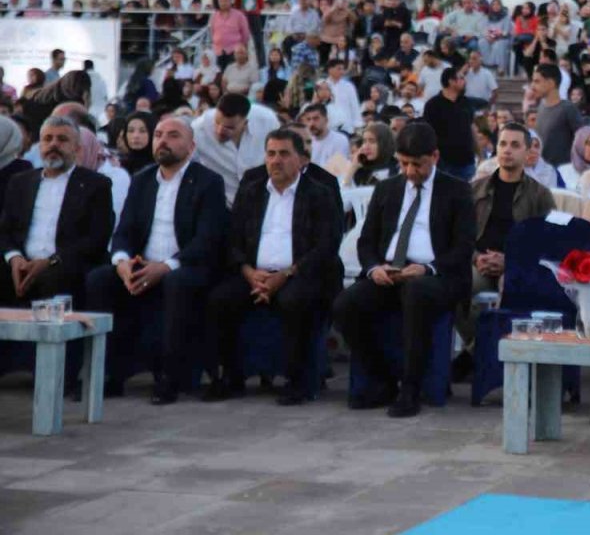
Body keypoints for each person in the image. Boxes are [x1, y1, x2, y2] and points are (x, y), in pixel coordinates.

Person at [332, 124, 476, 418]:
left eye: (417, 164)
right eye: (404, 163)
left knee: (415, 292)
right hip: (389, 272)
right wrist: (374, 268)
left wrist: (427, 268)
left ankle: (411, 388)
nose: (410, 171)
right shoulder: (387, 189)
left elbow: (463, 247)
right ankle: (382, 378)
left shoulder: (457, 191)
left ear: (434, 157)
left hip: (436, 276)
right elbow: (366, 241)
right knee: (345, 304)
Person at [85, 117, 228, 404]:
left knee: (176, 282)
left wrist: (165, 266)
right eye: (159, 134)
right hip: (143, 263)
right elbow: (124, 231)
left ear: (191, 146)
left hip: (187, 266)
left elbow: (207, 239)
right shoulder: (142, 180)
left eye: (173, 136)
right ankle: (109, 374)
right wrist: (122, 263)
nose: (163, 141)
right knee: (99, 279)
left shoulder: (208, 181)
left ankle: (170, 378)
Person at [204, 129, 340, 406]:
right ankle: (230, 376)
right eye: (271, 154)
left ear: (302, 159)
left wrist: (286, 274)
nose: (276, 160)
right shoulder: (252, 192)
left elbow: (326, 246)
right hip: (254, 274)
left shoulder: (319, 194)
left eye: (284, 154)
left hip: (299, 273)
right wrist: (249, 273)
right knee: (219, 299)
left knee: (294, 301)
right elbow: (233, 239)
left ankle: (296, 380)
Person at [457, 123, 556, 379]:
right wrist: (477, 258)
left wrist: (510, 261)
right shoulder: (475, 190)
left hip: (518, 266)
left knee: (512, 287)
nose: (507, 150)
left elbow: (546, 244)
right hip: (479, 263)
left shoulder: (540, 195)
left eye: (515, 145)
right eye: (502, 144)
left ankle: (474, 355)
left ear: (527, 152)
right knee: (455, 284)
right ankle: (482, 349)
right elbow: (460, 235)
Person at [0, 116, 114, 310]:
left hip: (64, 263)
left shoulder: (96, 185)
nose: (53, 144)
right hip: (21, 261)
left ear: (77, 148)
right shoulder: (21, 182)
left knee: (56, 276)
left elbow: (97, 238)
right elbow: (5, 230)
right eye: (48, 139)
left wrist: (49, 262)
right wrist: (14, 258)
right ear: (39, 146)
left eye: (62, 139)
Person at [192, 94, 281, 208]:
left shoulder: (267, 121)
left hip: (263, 201)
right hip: (221, 204)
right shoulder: (198, 129)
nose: (219, 131)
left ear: (245, 123)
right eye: (217, 123)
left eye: (229, 127)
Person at [423, 67, 476, 182]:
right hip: (444, 162)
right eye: (461, 78)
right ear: (451, 81)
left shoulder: (465, 102)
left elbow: (471, 127)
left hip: (467, 162)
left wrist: (478, 152)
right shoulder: (433, 105)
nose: (464, 81)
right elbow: (428, 133)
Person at [531, 64, 583, 167]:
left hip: (562, 170)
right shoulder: (541, 107)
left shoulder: (568, 109)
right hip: (542, 169)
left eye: (537, 81)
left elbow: (581, 139)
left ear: (551, 83)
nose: (532, 86)